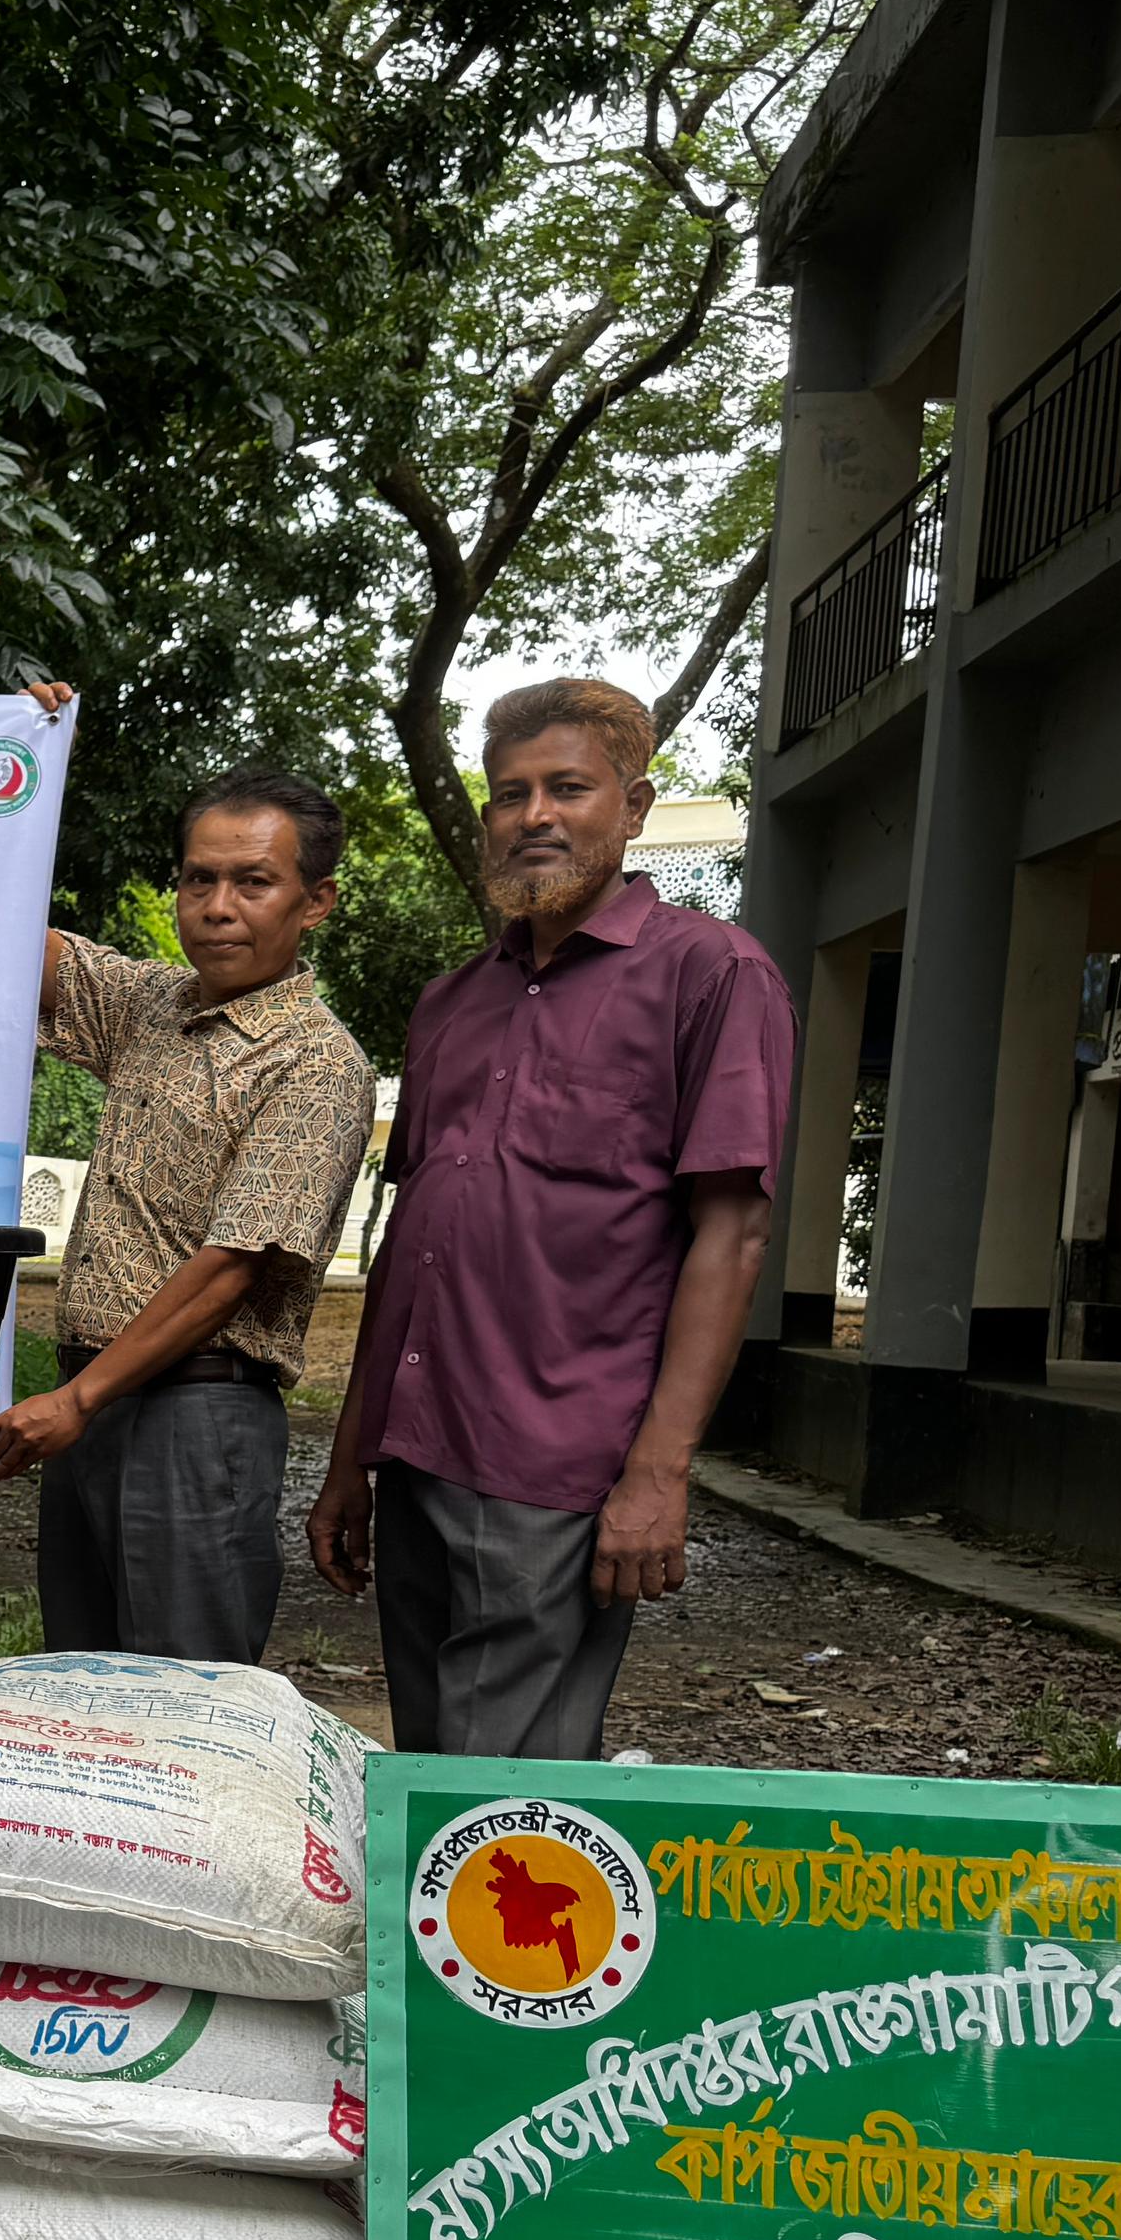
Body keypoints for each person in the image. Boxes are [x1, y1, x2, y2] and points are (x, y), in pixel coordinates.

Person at [306, 677, 791, 1758]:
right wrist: (349, 1460)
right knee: (428, 1776)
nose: (534, 815)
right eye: (509, 793)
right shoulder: (450, 1002)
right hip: (417, 1449)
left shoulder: (711, 975)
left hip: (556, 1465)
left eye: (567, 788)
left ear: (634, 805)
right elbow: (413, 1240)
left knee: (505, 1798)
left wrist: (658, 1473)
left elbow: (733, 1236)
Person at [0, 771, 375, 1663]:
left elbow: (232, 1269)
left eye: (253, 882)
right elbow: (9, 933)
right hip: (92, 1406)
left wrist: (75, 1398)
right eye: (200, 878)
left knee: (182, 1695)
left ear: (316, 902)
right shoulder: (151, 1006)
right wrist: (11, 747)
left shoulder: (318, 1064)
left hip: (196, 1417)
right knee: (80, 1683)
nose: (218, 907)